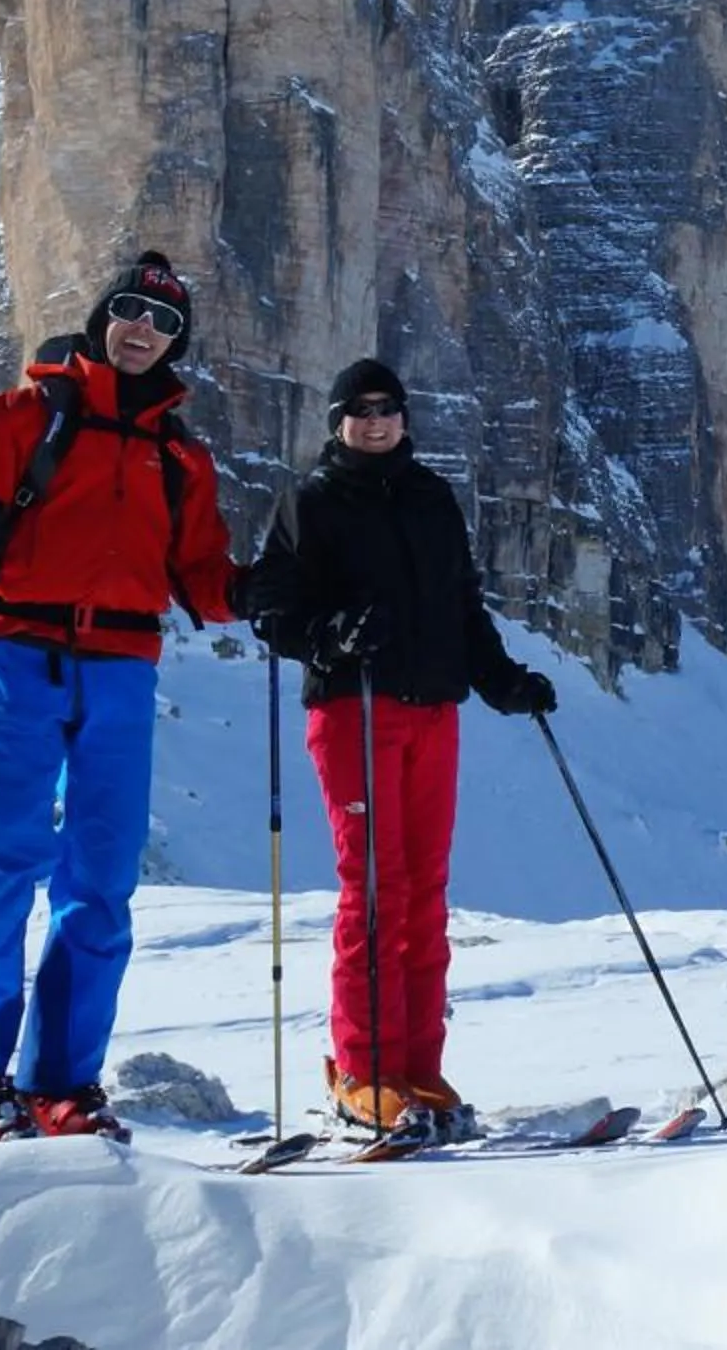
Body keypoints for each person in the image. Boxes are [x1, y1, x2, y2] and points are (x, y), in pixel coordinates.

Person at [0, 249, 241, 1138]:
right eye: (133, 311)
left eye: (165, 323)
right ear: (103, 316)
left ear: (175, 346)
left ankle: (61, 1082)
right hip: (16, 652)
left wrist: (258, 591)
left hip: (123, 669)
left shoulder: (182, 455)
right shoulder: (17, 416)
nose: (144, 331)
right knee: (3, 864)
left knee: (100, 880)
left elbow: (201, 576)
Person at [240, 357, 560, 1143]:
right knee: (375, 890)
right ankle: (362, 1072)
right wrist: (330, 636)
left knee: (424, 892)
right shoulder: (309, 503)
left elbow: (461, 607)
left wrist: (501, 680)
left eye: (388, 408)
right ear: (338, 422)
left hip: (430, 712)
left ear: (405, 418)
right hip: (355, 710)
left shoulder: (431, 500)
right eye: (360, 410)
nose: (376, 421)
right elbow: (270, 609)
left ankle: (418, 1069)